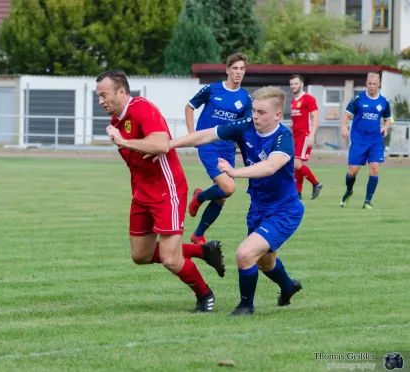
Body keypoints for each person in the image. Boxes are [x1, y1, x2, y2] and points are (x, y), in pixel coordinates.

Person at [149, 86, 304, 316]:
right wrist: (170, 144)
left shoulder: (284, 137)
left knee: (244, 255)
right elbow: (207, 134)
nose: (255, 116)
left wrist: (234, 172)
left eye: (261, 112)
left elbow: (271, 166)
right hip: (258, 208)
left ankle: (245, 307)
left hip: (284, 210)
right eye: (254, 111)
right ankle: (288, 286)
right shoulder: (246, 126)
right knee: (265, 263)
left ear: (277, 115)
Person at [96, 70, 226, 313]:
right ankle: (202, 250)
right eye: (98, 96)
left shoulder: (142, 109)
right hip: (141, 195)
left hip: (168, 191)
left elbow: (161, 144)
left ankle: (204, 294)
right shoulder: (117, 121)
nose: (101, 101)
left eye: (104, 95)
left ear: (121, 92)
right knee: (141, 255)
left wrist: (122, 141)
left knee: (170, 258)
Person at [185, 53, 253, 245]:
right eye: (235, 68)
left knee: (222, 196)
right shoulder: (213, 89)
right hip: (208, 144)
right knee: (228, 187)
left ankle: (198, 234)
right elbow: (190, 106)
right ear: (227, 70)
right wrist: (192, 135)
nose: (238, 72)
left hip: (227, 148)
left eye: (242, 69)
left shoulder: (245, 99)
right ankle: (199, 197)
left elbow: (246, 127)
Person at [340, 72, 392, 209]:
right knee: (352, 171)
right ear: (366, 84)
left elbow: (388, 119)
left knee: (374, 170)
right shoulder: (358, 99)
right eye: (370, 83)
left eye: (374, 84)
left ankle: (367, 201)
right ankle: (348, 191)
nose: (372, 86)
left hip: (375, 140)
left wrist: (385, 127)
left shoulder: (384, 102)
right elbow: (346, 115)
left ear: (379, 84)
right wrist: (344, 127)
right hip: (359, 139)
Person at [289, 74, 323, 200]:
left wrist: (312, 135)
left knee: (296, 163)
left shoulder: (308, 98)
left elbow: (315, 117)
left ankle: (316, 183)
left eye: (295, 83)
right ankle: (298, 192)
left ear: (301, 84)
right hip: (295, 136)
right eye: (291, 84)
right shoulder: (293, 101)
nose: (293, 86)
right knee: (297, 164)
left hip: (304, 135)